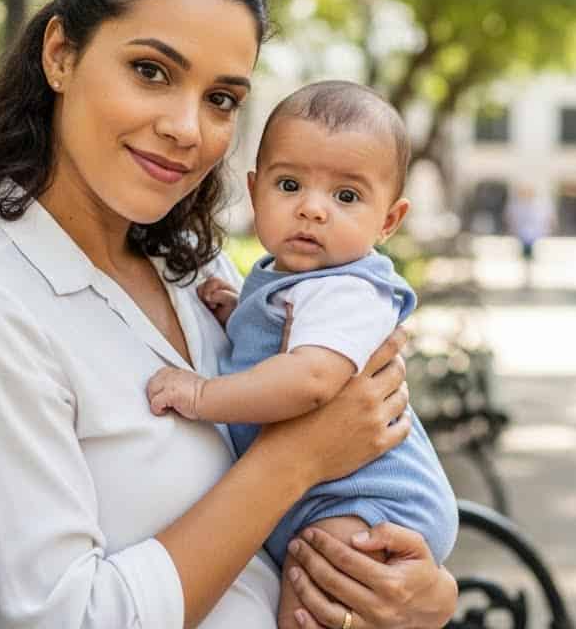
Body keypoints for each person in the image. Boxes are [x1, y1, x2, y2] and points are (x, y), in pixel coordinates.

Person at [0, 0, 457, 629]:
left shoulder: (192, 271)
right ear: (60, 54)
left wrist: (430, 600)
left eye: (220, 99)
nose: (188, 127)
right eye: (150, 71)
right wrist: (297, 458)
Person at [144, 81, 459, 629]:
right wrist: (237, 316)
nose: (312, 209)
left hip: (366, 502)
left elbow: (310, 378)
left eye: (346, 196)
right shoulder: (287, 280)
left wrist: (202, 395)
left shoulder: (348, 290)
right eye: (289, 184)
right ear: (255, 189)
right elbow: (282, 340)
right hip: (331, 493)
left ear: (388, 220)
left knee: (310, 593)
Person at [505, 184, 551, 288]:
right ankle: (527, 275)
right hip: (523, 234)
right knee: (525, 255)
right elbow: (512, 218)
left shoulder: (537, 205)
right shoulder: (517, 205)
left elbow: (544, 219)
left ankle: (529, 275)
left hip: (532, 234)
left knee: (530, 255)